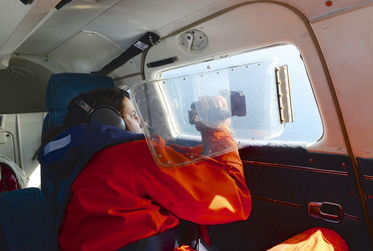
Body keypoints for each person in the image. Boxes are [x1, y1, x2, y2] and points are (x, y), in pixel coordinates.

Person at [35, 87, 252, 251]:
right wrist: (218, 130)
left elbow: (172, 158)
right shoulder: (134, 153)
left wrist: (207, 137)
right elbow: (234, 201)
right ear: (109, 120)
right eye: (132, 115)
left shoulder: (74, 157)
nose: (141, 121)